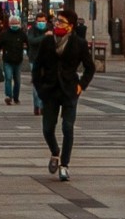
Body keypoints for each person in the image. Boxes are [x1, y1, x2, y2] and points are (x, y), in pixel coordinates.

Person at [31, 9, 96, 180]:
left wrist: (81, 85)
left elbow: (90, 67)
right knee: (47, 129)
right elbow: (36, 68)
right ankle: (55, 151)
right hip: (50, 91)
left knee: (68, 127)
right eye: (56, 21)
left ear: (71, 26)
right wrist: (40, 88)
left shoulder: (79, 43)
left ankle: (65, 165)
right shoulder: (46, 42)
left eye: (61, 22)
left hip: (69, 90)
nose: (57, 24)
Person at [0, 15, 29, 107]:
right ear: (9, 24)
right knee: (8, 78)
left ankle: (16, 97)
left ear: (19, 24)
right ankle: (8, 96)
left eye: (16, 23)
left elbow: (29, 45)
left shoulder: (22, 34)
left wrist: (31, 55)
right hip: (7, 60)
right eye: (13, 23)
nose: (15, 25)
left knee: (17, 80)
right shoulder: (4, 34)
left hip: (18, 60)